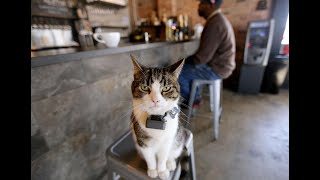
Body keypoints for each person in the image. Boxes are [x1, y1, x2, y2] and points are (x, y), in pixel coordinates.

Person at [178, 0, 236, 106]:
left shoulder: (215, 23)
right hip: (221, 66)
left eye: (201, 4)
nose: (199, 6)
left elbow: (201, 58)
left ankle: (192, 101)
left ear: (211, 5)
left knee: (177, 73)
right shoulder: (218, 19)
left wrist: (182, 61)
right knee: (188, 67)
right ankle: (195, 96)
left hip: (218, 69)